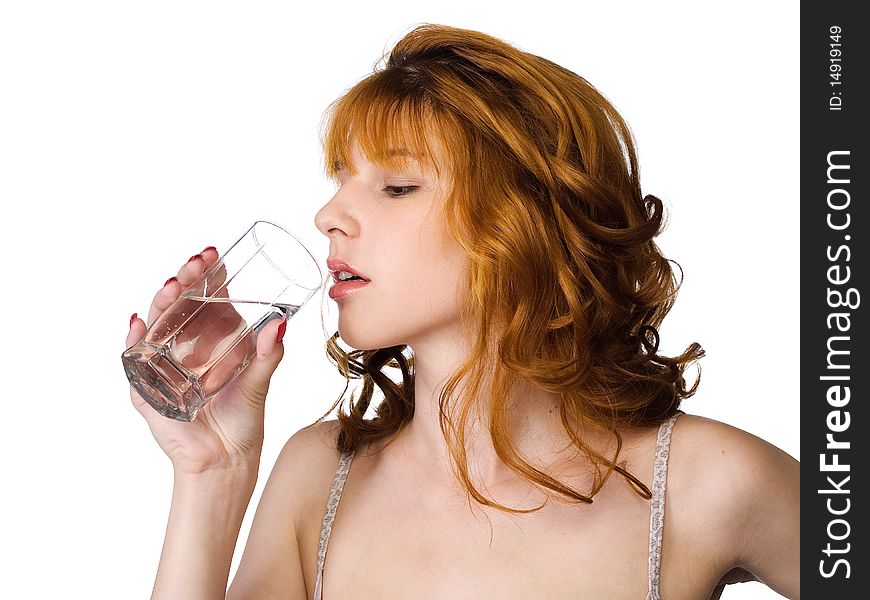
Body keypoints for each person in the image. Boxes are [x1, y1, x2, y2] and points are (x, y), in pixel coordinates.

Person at [125, 24, 800, 599]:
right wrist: (210, 473)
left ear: (529, 219)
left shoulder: (710, 481)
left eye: (397, 185)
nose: (328, 216)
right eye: (340, 180)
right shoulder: (316, 478)